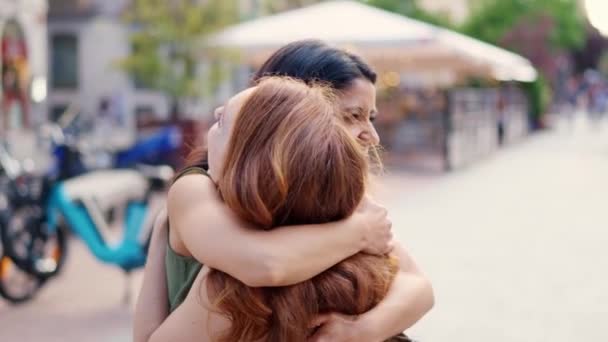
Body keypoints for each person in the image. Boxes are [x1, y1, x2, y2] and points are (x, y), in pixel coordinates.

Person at [134, 41, 433, 342]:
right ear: (284, 115)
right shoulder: (201, 194)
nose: (372, 134)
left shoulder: (330, 201)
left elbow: (418, 286)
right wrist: (361, 231)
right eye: (352, 115)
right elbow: (263, 264)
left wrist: (358, 331)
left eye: (370, 117)